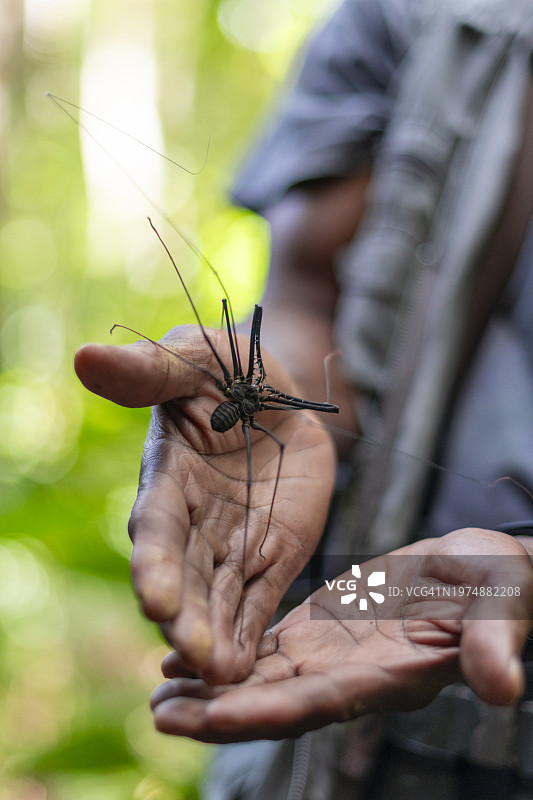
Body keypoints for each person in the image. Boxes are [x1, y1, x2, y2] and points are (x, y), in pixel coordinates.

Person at [74, 0, 533, 796]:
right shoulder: (407, 17)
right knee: (223, 305)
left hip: (465, 666)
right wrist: (263, 375)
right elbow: (305, 306)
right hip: (355, 692)